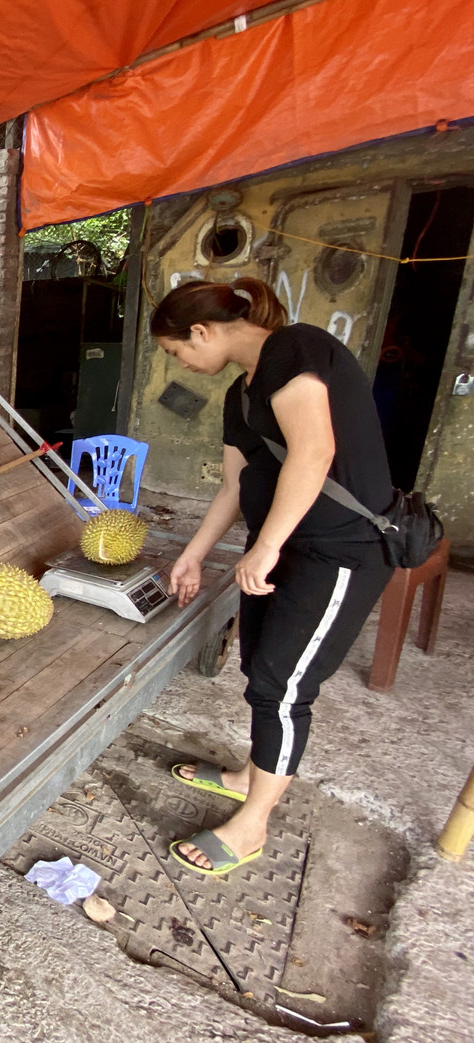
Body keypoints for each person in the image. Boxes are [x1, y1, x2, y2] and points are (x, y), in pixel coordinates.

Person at [150, 277, 393, 877]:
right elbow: (234, 486)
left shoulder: (295, 348)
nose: (180, 363)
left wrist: (265, 547)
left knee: (283, 687)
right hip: (285, 549)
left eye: (176, 350)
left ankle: (252, 825)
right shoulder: (241, 395)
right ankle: (246, 777)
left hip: (339, 552)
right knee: (259, 667)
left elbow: (314, 452)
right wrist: (194, 554)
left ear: (201, 331)